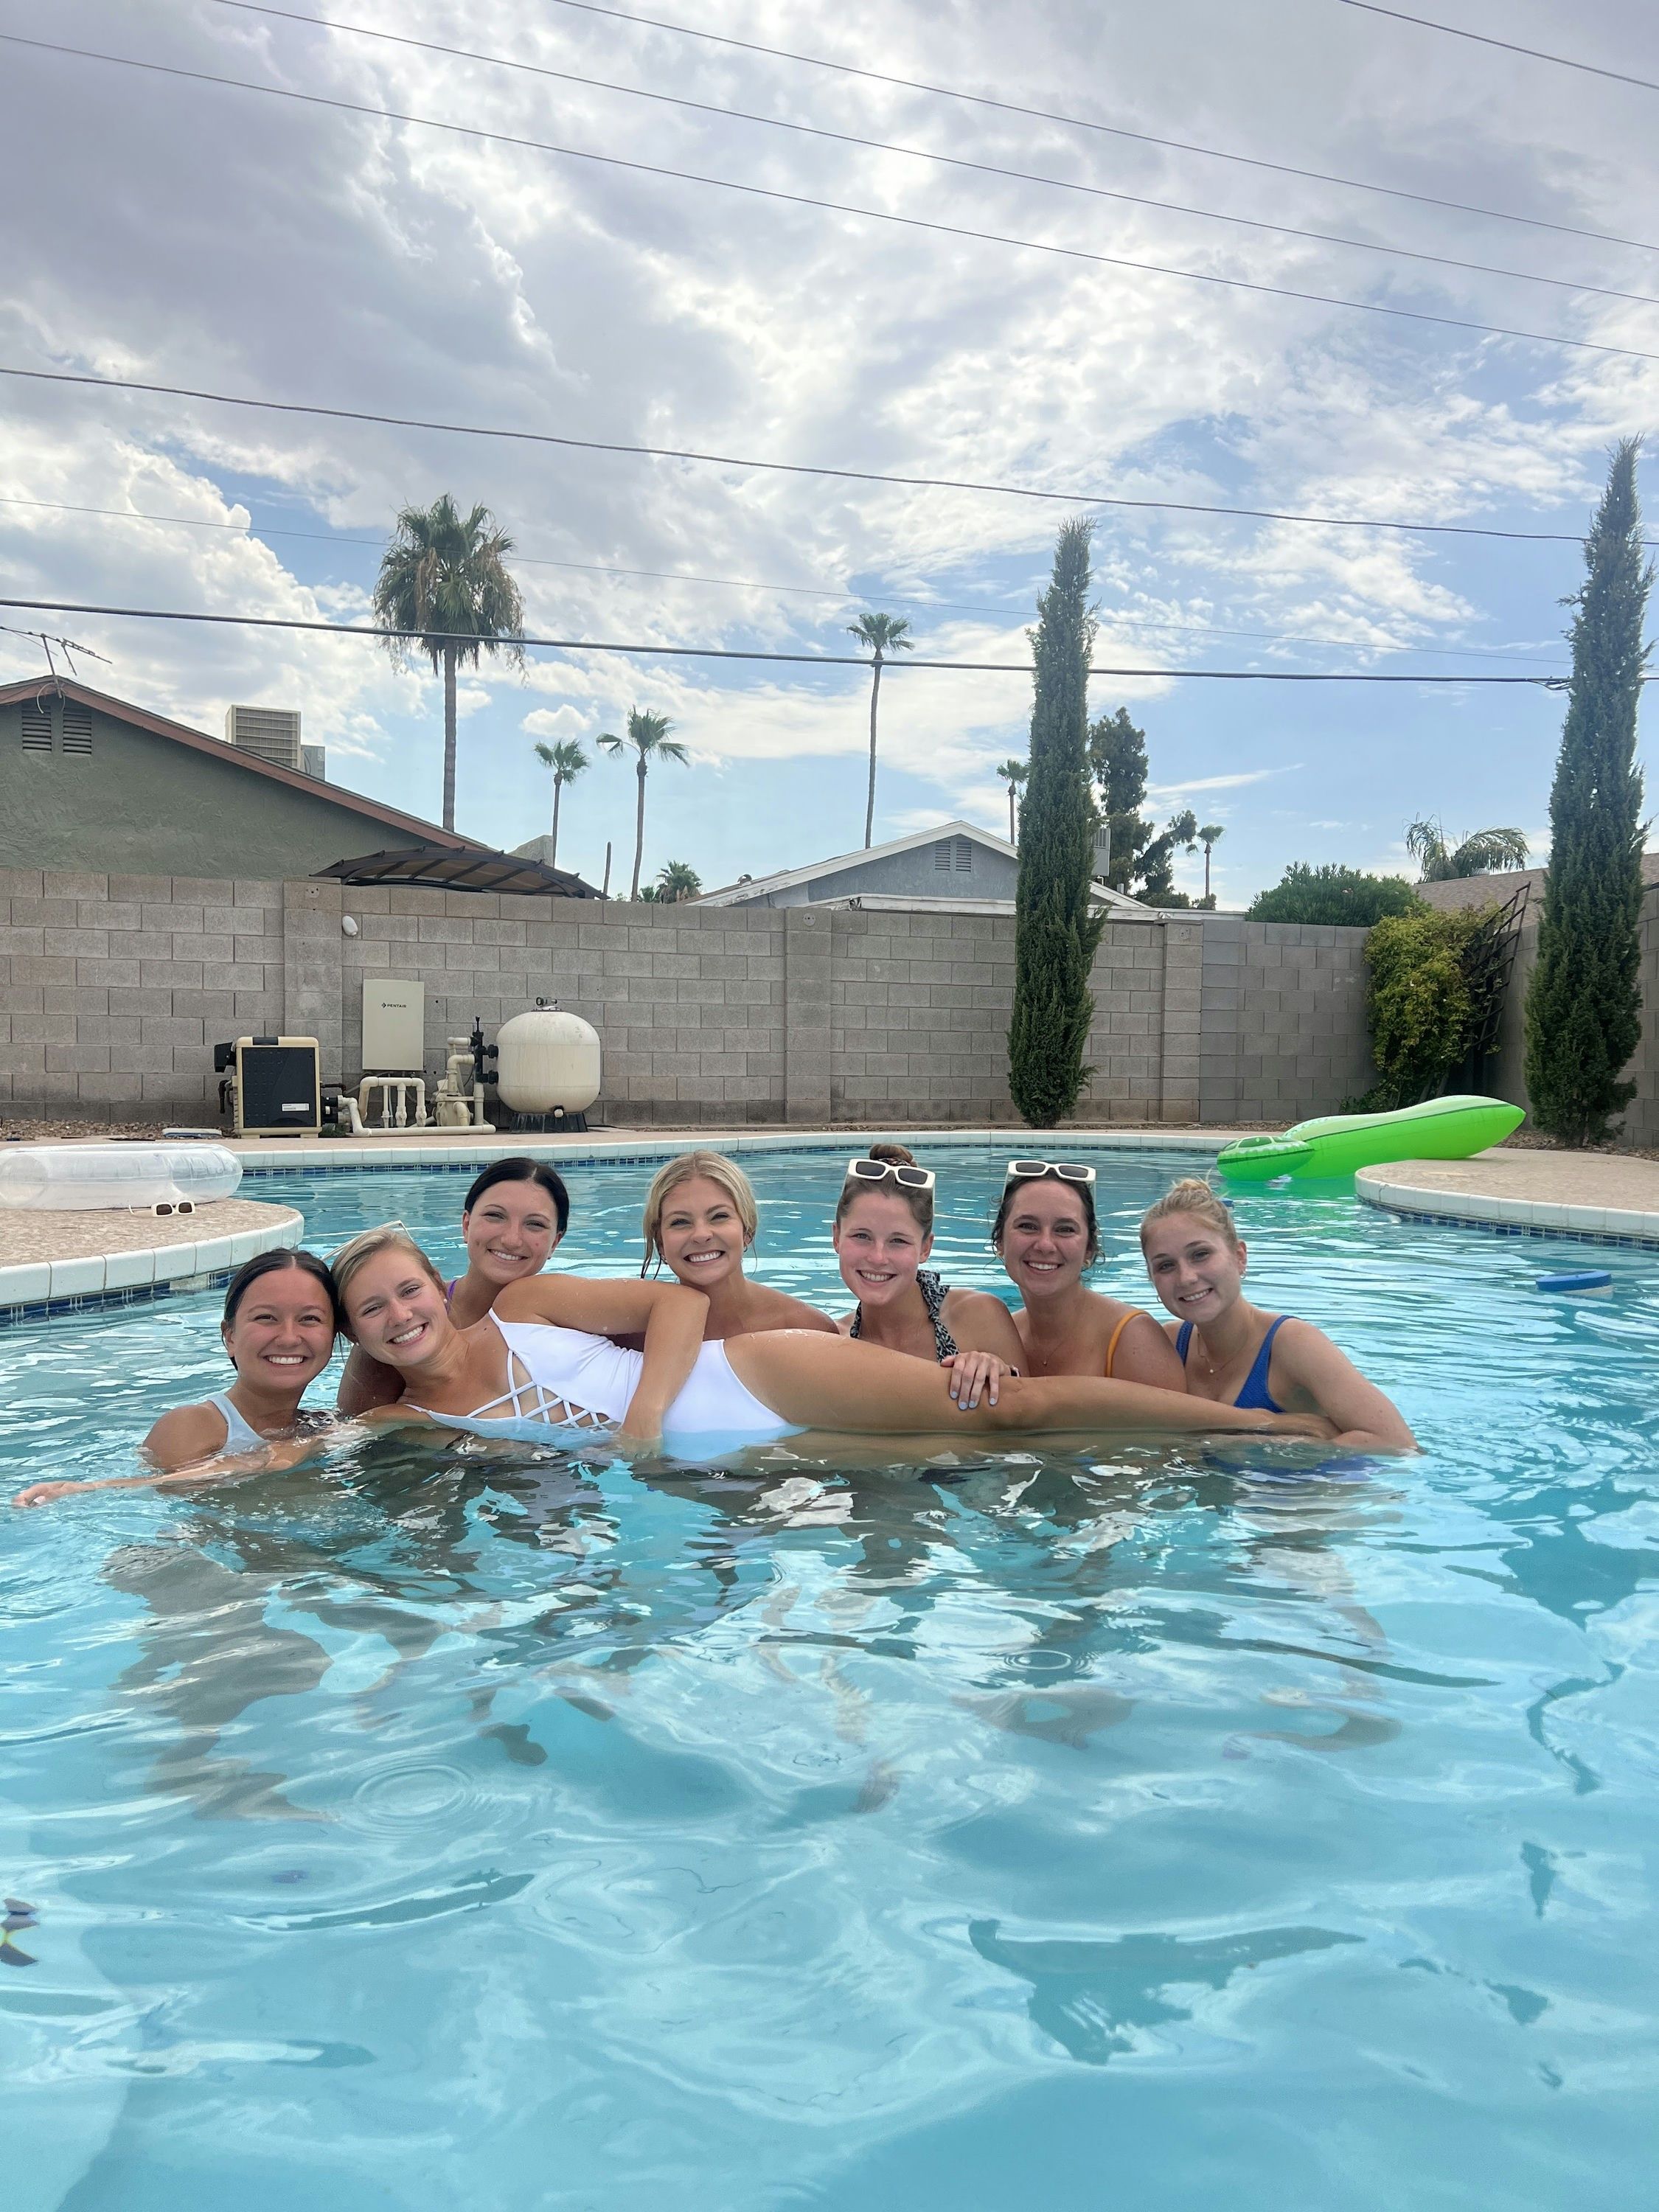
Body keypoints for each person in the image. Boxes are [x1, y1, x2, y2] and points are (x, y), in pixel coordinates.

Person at [325, 1224, 1338, 1457]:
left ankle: (1248, 1430)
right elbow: (296, 1454)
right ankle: (1211, 1442)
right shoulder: (407, 1418)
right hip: (742, 1454)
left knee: (1004, 1410)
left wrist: (639, 1423)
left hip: (753, 1379)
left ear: (435, 1281)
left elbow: (676, 1308)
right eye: (373, 1310)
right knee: (959, 1449)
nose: (401, 1315)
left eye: (407, 1289)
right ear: (357, 1333)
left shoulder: (524, 1304)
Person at [13, 1248, 344, 1506]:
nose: (288, 1337)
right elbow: (159, 1500)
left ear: (334, 1335)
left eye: (310, 1319)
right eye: (266, 1317)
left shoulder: (321, 1426)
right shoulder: (194, 1426)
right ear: (229, 1336)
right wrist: (85, 1489)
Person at [1139, 1178, 1416, 1453]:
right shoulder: (1168, 1345)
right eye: (1165, 1266)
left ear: (1239, 1257)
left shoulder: (1293, 1344)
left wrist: (1240, 1440)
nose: (1186, 1278)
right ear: (1152, 1280)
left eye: (1200, 1254)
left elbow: (1398, 1445)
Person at [336, 1157, 568, 1415]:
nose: (512, 1239)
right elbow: (357, 1435)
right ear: (466, 1225)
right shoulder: (402, 1330)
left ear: (555, 1242)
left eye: (535, 1224)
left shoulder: (567, 1312)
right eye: (495, 1216)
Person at [834, 1144, 1026, 1404]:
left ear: (925, 1248)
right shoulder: (836, 1342)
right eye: (861, 1236)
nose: (878, 1257)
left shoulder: (979, 1317)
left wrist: (1002, 1373)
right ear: (836, 1238)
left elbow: (1031, 1427)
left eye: (898, 1241)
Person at [994, 1158, 1187, 1389]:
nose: (1045, 1245)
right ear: (1000, 1241)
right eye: (1027, 1226)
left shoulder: (1133, 1339)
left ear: (1089, 1249)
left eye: (1065, 1229)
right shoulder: (999, 1335)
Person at [627, 1150, 838, 1342]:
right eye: (680, 1222)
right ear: (660, 1242)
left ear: (747, 1231)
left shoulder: (806, 1329)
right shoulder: (632, 1334)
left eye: (719, 1216)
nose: (701, 1235)